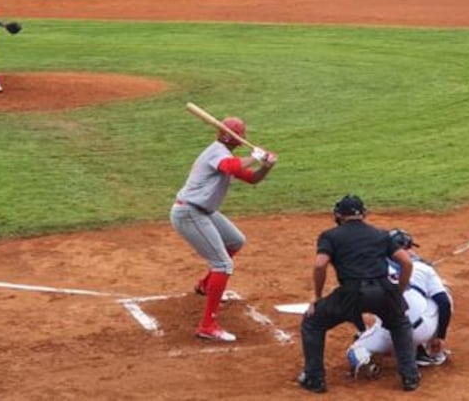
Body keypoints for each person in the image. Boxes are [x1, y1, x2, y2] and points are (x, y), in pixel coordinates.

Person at [298, 195, 420, 394]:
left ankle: (314, 379)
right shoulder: (380, 234)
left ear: (338, 215)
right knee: (400, 324)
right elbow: (406, 262)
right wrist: (398, 293)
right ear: (364, 214)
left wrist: (317, 296)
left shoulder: (330, 236)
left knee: (313, 322)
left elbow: (320, 264)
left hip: (351, 293)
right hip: (383, 289)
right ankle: (410, 377)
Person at [170, 117, 277, 342]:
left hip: (203, 211)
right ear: (237, 139)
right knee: (223, 264)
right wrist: (256, 156)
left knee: (235, 240)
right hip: (190, 212)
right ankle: (207, 325)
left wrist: (265, 166)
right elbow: (231, 167)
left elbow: (252, 178)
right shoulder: (217, 152)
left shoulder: (224, 152)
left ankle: (205, 285)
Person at [346, 229, 453, 380]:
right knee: (442, 294)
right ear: (405, 248)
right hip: (421, 330)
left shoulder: (373, 269)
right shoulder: (423, 268)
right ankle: (433, 352)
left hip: (387, 333)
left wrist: (364, 331)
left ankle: (365, 359)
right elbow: (444, 303)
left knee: (355, 349)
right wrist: (441, 336)